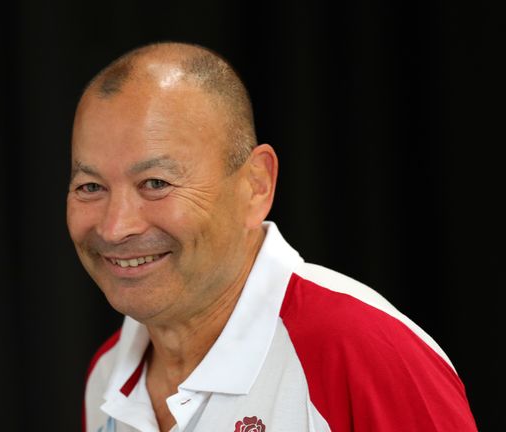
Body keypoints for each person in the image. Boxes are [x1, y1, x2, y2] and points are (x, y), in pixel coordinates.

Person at [67, 42, 477, 432]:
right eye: (90, 186)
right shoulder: (107, 376)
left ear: (256, 185)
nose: (115, 227)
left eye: (155, 182)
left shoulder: (367, 352)